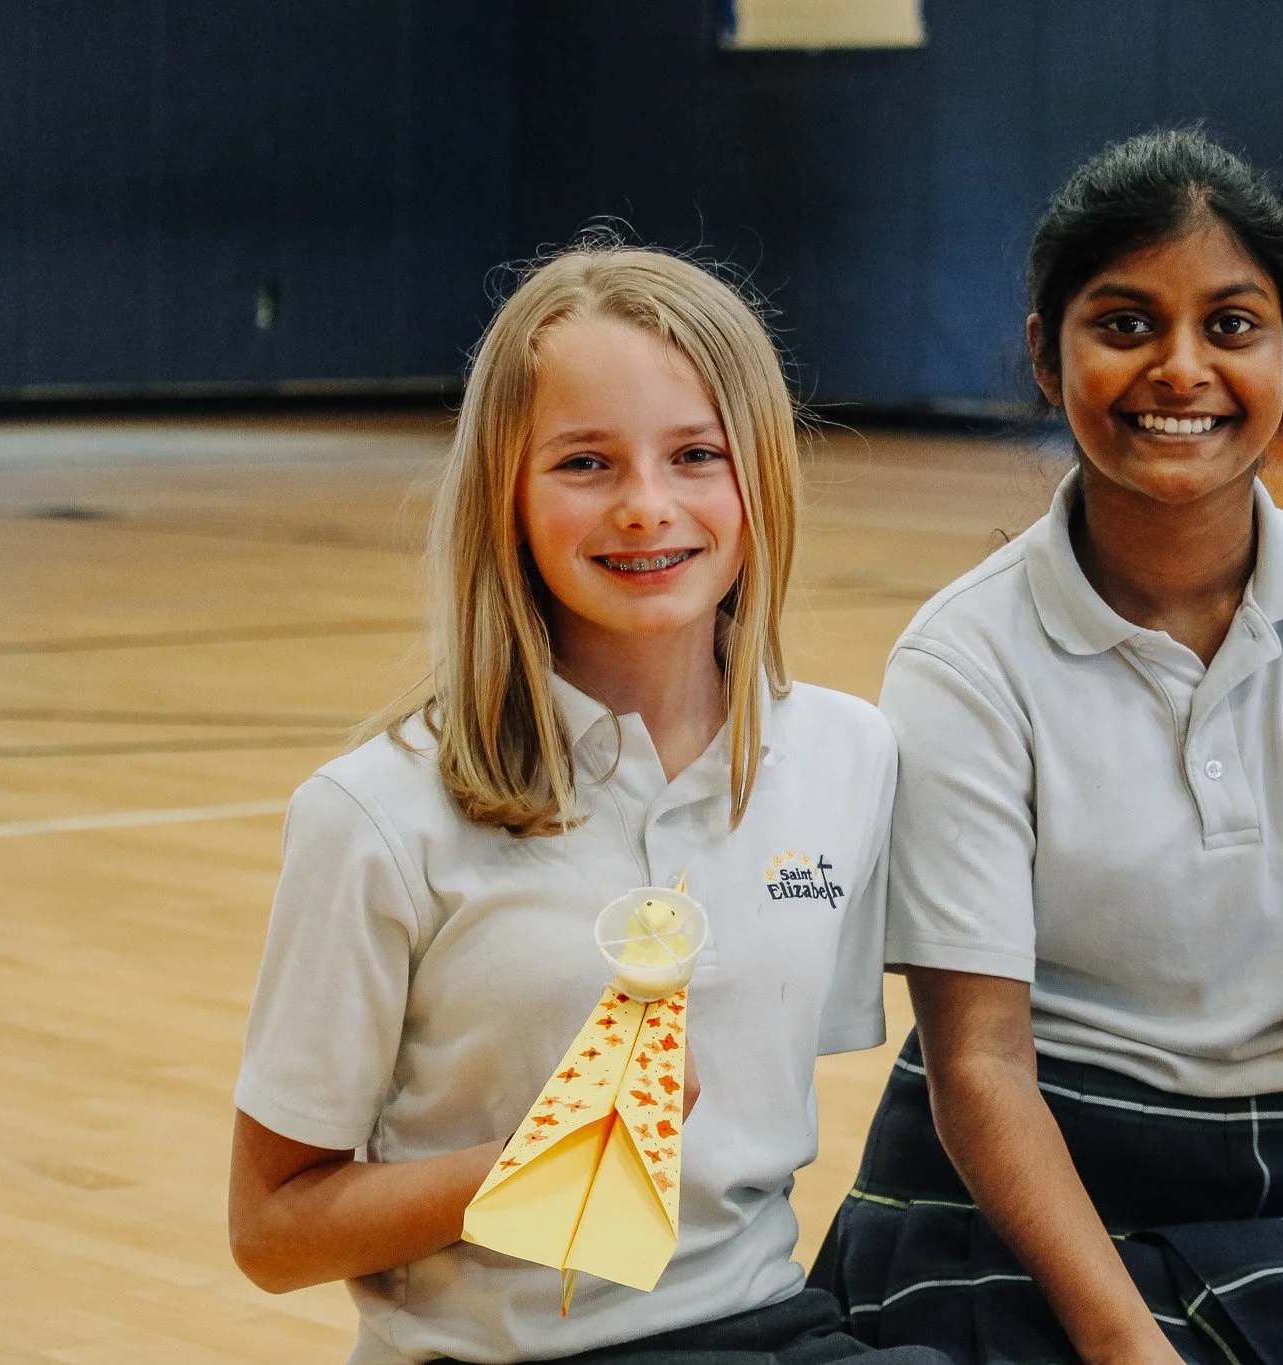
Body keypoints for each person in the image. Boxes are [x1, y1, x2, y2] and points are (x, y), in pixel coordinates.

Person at [811, 130, 1283, 1365]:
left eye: (1232, 326)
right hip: (1016, 1176)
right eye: (1126, 323)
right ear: (1047, 354)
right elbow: (979, 1062)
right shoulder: (961, 659)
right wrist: (1130, 1351)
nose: (1179, 369)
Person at [229, 245, 946, 1365]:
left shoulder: (849, 757)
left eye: (696, 455)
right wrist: (535, 1164)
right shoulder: (374, 815)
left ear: (760, 476)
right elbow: (271, 1233)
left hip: (767, 1325)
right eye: (583, 463)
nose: (645, 508)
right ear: (506, 497)